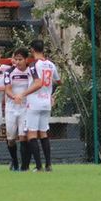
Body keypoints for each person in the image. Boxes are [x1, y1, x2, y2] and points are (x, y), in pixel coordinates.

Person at [15, 39, 61, 172]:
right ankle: (48, 165)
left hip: (34, 103)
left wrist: (22, 94)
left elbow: (38, 83)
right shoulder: (51, 65)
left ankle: (39, 166)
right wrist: (52, 95)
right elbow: (59, 81)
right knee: (43, 133)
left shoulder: (34, 65)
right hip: (46, 103)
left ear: (32, 50)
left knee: (32, 134)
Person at [4, 48, 32, 171]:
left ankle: (24, 166)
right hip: (11, 107)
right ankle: (14, 161)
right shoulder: (9, 72)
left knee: (23, 137)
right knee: (11, 139)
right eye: (16, 59)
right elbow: (8, 89)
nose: (18, 62)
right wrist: (14, 97)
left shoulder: (31, 72)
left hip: (26, 108)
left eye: (20, 59)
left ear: (26, 60)